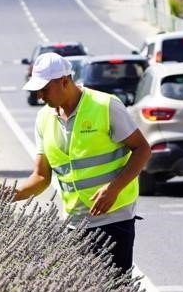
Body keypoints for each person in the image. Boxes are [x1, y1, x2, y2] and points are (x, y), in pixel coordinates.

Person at [12, 53, 151, 273]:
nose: (39, 96)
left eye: (44, 89)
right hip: (75, 223)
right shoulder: (43, 119)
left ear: (65, 81)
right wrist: (7, 195)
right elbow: (40, 177)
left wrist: (113, 189)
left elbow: (142, 149)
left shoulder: (105, 105)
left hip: (114, 219)